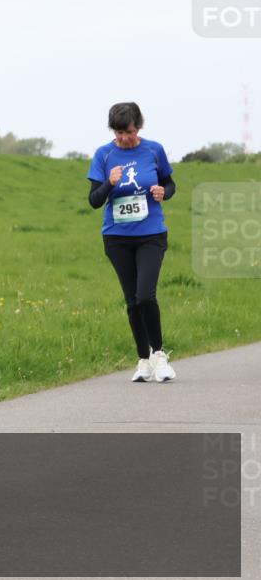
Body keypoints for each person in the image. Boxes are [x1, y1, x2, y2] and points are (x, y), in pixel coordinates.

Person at [88, 102, 177, 383]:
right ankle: (142, 360)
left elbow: (170, 184)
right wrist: (110, 184)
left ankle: (159, 355)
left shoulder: (154, 150)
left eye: (128, 131)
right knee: (132, 302)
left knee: (145, 296)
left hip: (151, 234)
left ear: (138, 127)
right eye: (118, 132)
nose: (124, 138)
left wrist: (165, 192)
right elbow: (94, 200)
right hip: (117, 238)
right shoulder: (103, 155)